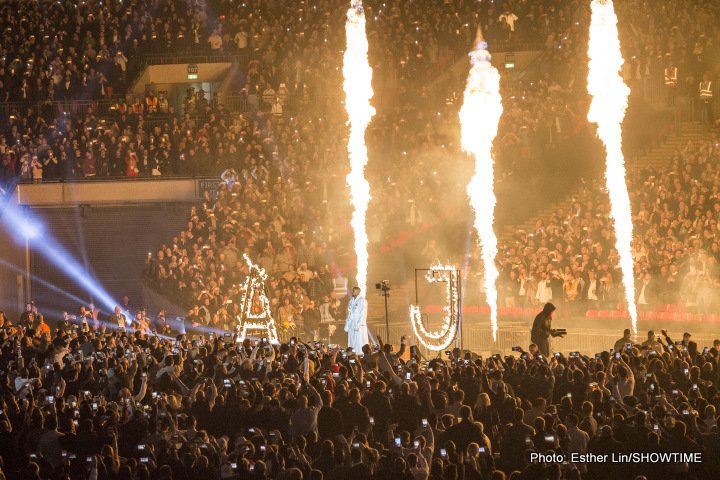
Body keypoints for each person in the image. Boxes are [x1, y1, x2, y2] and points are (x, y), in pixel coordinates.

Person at [345, 287, 368, 354]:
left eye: (354, 291)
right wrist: (347, 324)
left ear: (358, 292)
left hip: (359, 325)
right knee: (351, 341)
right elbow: (349, 313)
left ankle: (360, 354)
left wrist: (359, 324)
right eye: (352, 291)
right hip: (351, 324)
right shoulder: (351, 301)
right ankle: (351, 354)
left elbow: (363, 313)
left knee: (359, 341)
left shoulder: (362, 301)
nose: (352, 292)